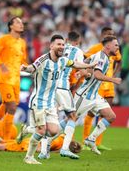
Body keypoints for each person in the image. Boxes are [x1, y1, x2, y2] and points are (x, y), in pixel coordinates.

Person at [21, 34, 97, 164]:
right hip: (39, 101)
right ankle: (29, 157)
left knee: (53, 131)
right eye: (58, 44)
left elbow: (75, 64)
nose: (61, 47)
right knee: (41, 130)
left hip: (50, 103)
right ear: (51, 46)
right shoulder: (43, 59)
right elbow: (31, 68)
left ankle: (27, 129)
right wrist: (25, 68)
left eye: (63, 45)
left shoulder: (63, 60)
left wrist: (89, 65)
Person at [38, 31, 84, 160]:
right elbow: (81, 70)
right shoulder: (77, 51)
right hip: (62, 87)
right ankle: (64, 148)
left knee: (53, 121)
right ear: (78, 41)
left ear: (67, 40)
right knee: (72, 116)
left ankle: (43, 150)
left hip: (49, 87)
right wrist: (87, 74)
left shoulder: (57, 49)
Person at [75, 35, 122, 155]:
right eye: (116, 45)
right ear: (108, 45)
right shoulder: (102, 58)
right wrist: (113, 80)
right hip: (84, 95)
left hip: (94, 95)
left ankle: (91, 139)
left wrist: (83, 72)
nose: (118, 47)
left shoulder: (100, 56)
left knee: (111, 116)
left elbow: (84, 62)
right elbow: (97, 75)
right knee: (70, 120)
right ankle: (47, 140)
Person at [0, 16, 28, 141]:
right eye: (18, 22)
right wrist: (2, 65)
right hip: (4, 79)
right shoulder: (4, 40)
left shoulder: (22, 43)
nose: (21, 24)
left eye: (22, 22)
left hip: (16, 80)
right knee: (11, 106)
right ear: (11, 26)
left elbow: (23, 61)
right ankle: (6, 139)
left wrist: (31, 68)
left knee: (8, 107)